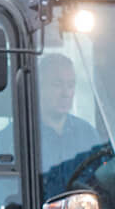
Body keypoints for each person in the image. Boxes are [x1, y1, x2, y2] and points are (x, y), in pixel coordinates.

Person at [38, 52, 107, 192]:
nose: (66, 93)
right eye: (57, 84)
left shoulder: (88, 135)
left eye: (70, 85)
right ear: (39, 87)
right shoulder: (14, 138)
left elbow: (103, 183)